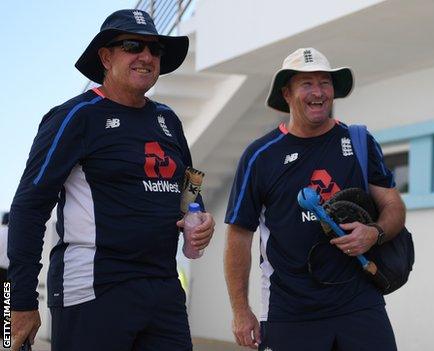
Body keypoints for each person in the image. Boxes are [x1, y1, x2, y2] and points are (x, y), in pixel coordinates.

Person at [8, 9, 215, 351]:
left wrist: (198, 214)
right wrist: (20, 301)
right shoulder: (75, 117)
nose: (146, 56)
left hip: (163, 289)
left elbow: (188, 184)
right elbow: (29, 207)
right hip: (94, 290)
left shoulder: (168, 119)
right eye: (133, 45)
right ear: (106, 57)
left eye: (155, 49)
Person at [223, 48, 406, 351]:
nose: (318, 93)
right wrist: (241, 312)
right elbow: (238, 236)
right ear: (287, 93)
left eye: (325, 83)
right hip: (289, 313)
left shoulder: (358, 141)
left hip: (360, 306)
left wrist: (374, 233)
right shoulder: (260, 156)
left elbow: (393, 205)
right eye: (307, 84)